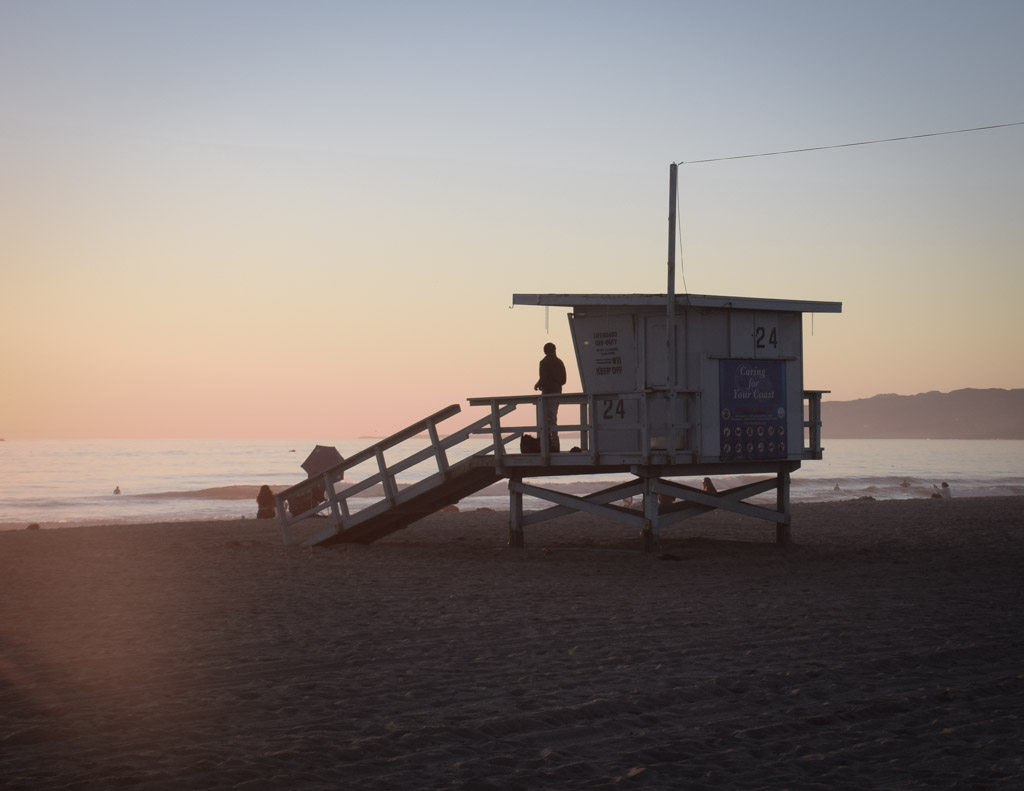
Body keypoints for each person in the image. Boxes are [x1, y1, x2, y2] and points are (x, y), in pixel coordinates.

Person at [534, 342, 566, 451]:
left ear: (545, 351)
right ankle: (554, 443)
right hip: (558, 392)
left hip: (547, 394)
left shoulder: (544, 362)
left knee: (548, 419)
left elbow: (543, 378)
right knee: (553, 418)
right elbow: (564, 380)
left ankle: (550, 444)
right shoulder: (559, 362)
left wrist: (538, 385)